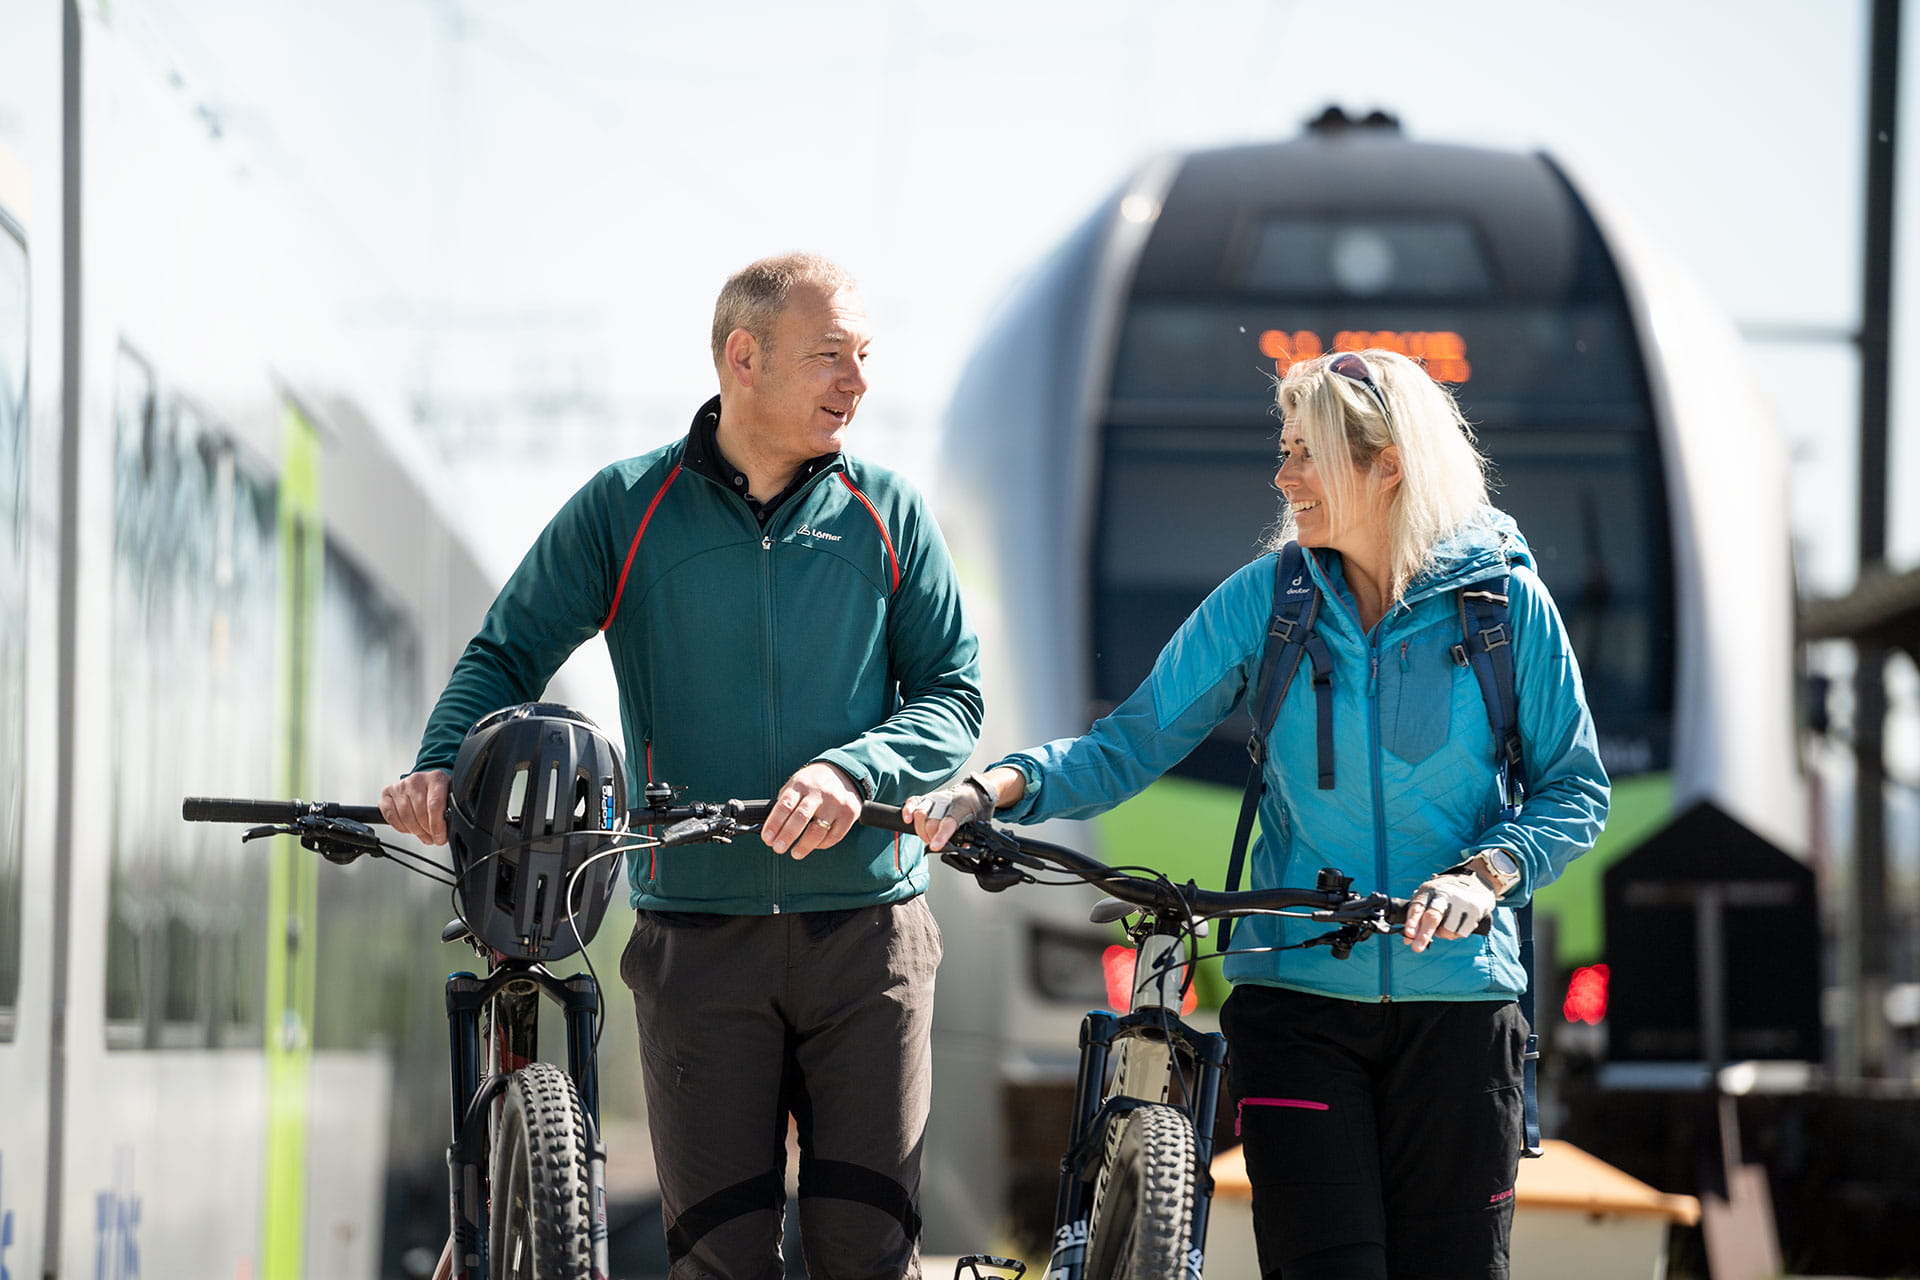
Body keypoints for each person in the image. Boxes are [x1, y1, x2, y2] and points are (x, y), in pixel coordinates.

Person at [906, 349, 1607, 1279]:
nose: (1283, 478)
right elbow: (1129, 743)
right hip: (1296, 1004)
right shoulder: (1266, 604)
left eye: (1306, 454)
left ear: (1386, 464)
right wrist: (991, 787)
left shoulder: (1505, 609)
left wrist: (1487, 873)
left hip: (1462, 1009)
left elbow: (1574, 790)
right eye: (1284, 452)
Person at [382, 252, 983, 1279]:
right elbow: (508, 652)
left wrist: (856, 769)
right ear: (743, 357)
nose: (858, 381)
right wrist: (440, 762)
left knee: (867, 1255)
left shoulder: (891, 512)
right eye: (830, 355)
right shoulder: (627, 507)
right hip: (698, 942)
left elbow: (954, 693)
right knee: (718, 1259)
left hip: (868, 938)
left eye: (865, 356)